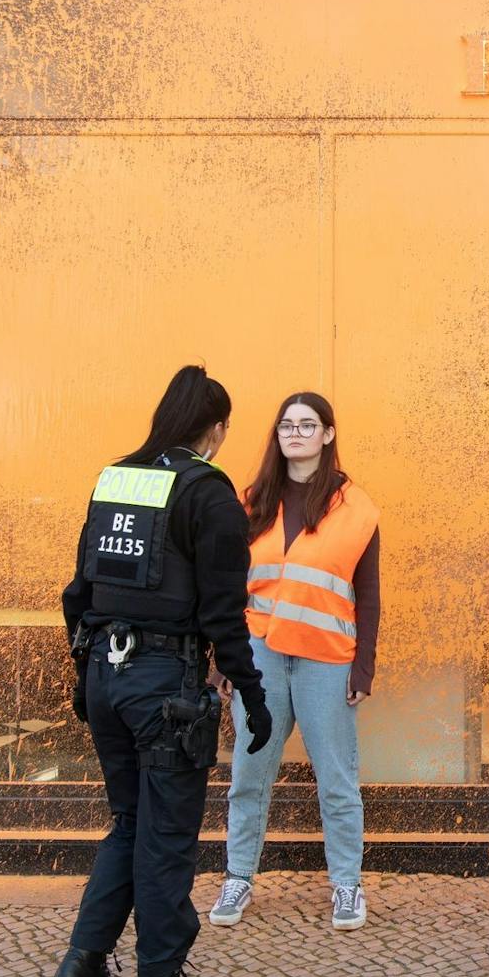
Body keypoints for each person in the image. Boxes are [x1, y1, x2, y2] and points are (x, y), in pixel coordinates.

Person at [50, 364, 273, 977]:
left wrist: (89, 670)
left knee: (129, 821)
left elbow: (77, 590)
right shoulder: (210, 492)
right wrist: (251, 695)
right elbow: (224, 610)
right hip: (163, 685)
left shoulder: (115, 478)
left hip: (106, 675)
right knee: (167, 835)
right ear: (215, 426)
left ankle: (84, 965)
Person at [208, 393, 381, 932]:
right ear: (277, 434)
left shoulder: (356, 508)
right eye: (287, 424)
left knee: (336, 779)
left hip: (327, 660)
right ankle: (238, 876)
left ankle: (347, 886)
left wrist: (364, 667)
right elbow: (228, 586)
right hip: (259, 655)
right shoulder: (250, 500)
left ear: (328, 434)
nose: (297, 432)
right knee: (248, 775)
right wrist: (222, 662)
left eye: (308, 424)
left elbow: (367, 593)